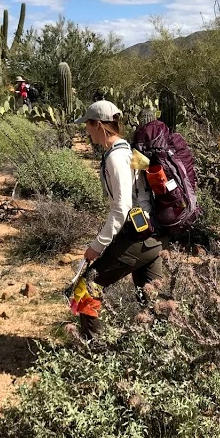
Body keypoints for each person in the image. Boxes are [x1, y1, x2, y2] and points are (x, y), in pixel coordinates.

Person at [71, 100, 164, 340]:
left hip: (136, 237)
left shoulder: (115, 157)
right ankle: (160, 349)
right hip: (151, 236)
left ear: (99, 125)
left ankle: (93, 348)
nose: (87, 131)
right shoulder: (128, 150)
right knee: (154, 300)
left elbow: (121, 207)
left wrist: (97, 246)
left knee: (86, 288)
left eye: (88, 126)